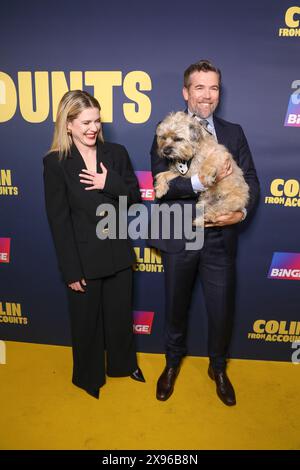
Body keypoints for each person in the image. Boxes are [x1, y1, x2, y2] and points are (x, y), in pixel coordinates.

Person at [150, 60, 260, 406]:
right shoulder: (166, 129)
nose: (207, 95)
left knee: (221, 309)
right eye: (199, 87)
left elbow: (252, 181)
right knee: (175, 307)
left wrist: (239, 212)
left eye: (213, 88)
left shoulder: (234, 132)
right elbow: (161, 181)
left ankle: (218, 368)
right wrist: (200, 180)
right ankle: (170, 365)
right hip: (180, 233)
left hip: (218, 239)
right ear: (186, 92)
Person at [43, 90, 145, 399]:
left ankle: (124, 365)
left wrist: (108, 183)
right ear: (68, 124)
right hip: (84, 258)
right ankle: (88, 377)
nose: (93, 128)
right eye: (86, 122)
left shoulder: (116, 152)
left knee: (119, 315)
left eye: (97, 120)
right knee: (86, 322)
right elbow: (58, 221)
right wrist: (71, 270)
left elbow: (135, 197)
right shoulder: (56, 163)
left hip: (117, 252)